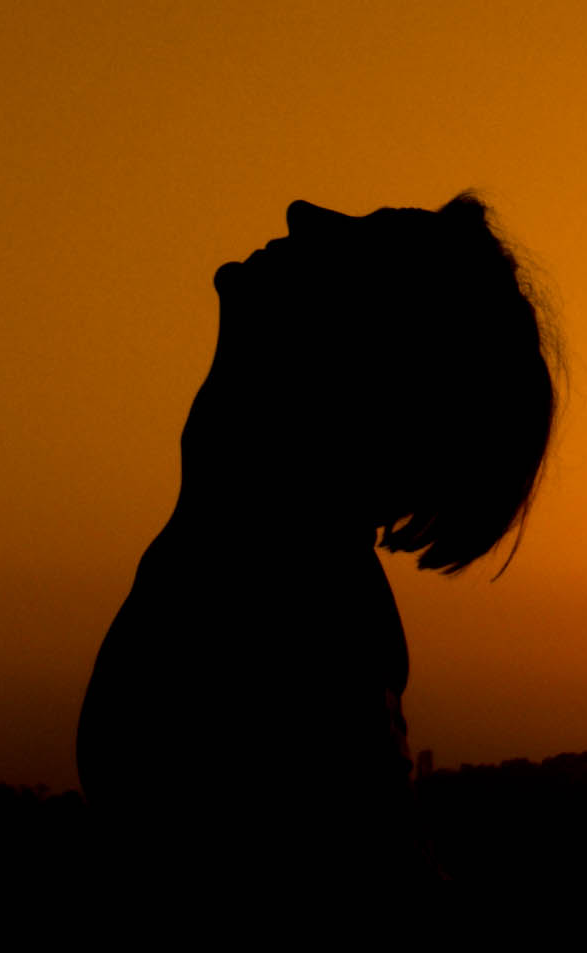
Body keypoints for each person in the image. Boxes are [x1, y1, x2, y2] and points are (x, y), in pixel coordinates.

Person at [78, 194, 557, 854]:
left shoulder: (291, 611)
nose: (304, 213)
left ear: (369, 366)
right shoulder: (265, 573)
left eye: (366, 244)